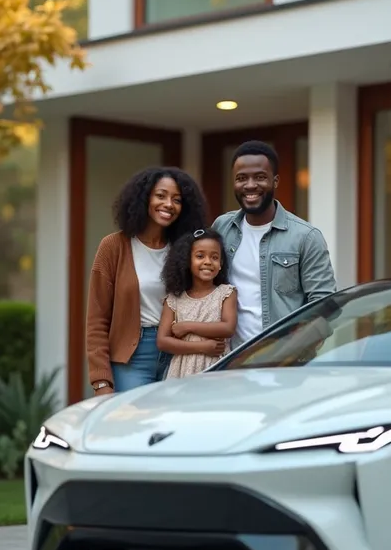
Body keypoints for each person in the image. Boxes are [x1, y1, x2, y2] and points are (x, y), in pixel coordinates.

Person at [86, 166, 207, 395]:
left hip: (179, 353)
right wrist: (101, 381)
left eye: (177, 199)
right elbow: (97, 321)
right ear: (144, 198)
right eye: (160, 195)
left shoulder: (186, 250)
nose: (169, 204)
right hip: (133, 356)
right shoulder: (113, 247)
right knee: (131, 425)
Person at [213, 140, 336, 349]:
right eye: (241, 178)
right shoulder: (222, 228)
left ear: (275, 181)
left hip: (282, 360)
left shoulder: (306, 237)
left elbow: (325, 304)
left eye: (260, 177)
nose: (250, 185)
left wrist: (293, 350)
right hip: (228, 359)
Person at [157, 228, 237, 378]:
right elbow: (162, 341)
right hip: (182, 371)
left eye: (214, 257)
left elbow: (228, 328)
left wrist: (187, 326)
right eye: (200, 256)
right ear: (187, 261)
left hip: (215, 368)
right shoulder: (174, 299)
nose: (208, 262)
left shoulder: (226, 293)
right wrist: (202, 347)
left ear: (220, 264)